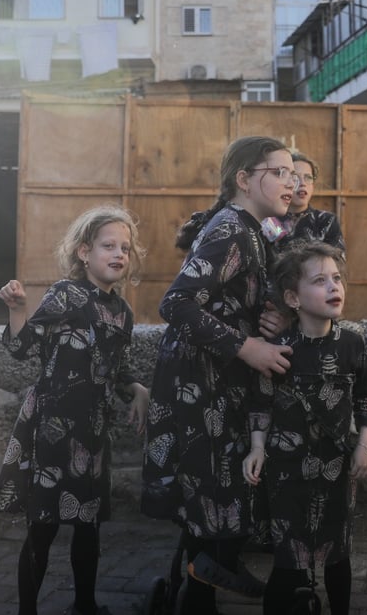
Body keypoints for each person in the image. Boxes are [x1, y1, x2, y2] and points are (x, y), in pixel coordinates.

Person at [140, 136, 296, 614]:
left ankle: (200, 588)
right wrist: (248, 346)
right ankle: (201, 587)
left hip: (217, 380)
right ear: (244, 180)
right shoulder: (231, 228)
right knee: (209, 490)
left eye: (294, 173)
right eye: (280, 172)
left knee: (212, 494)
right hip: (199, 382)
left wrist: (272, 320)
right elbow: (177, 303)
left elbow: (233, 300)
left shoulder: (252, 229)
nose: (291, 182)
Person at [0, 205, 150, 615]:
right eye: (108, 246)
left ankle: (85, 604)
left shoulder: (122, 312)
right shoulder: (67, 294)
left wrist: (136, 389)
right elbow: (21, 347)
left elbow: (117, 369)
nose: (118, 254)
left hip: (93, 432)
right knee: (43, 526)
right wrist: (16, 310)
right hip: (51, 427)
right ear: (84, 252)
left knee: (87, 526)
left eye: (125, 248)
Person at [243, 240, 367, 615]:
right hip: (286, 470)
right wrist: (257, 448)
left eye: (337, 278)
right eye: (320, 281)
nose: (334, 287)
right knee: (288, 561)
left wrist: (365, 443)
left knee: (338, 556)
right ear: (294, 297)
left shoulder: (352, 345)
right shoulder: (278, 348)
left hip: (337, 466)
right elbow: (260, 402)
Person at [276, 151, 345, 252]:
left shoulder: (327, 221)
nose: (303, 183)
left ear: (313, 185)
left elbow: (338, 261)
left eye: (308, 177)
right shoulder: (269, 221)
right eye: (295, 178)